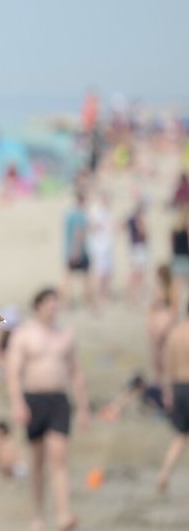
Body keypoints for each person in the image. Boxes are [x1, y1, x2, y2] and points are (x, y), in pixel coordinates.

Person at [6, 288, 89, 531]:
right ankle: (38, 516)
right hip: (33, 400)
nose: (54, 307)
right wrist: (17, 403)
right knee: (38, 461)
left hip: (59, 400)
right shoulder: (24, 334)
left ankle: (64, 514)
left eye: (56, 303)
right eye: (49, 302)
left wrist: (84, 407)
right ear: (38, 305)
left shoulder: (66, 335)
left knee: (59, 458)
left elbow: (77, 372)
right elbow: (13, 373)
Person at [156, 301, 189, 493]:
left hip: (177, 386)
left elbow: (166, 366)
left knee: (180, 435)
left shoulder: (174, 334)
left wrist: (168, 392)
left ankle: (165, 473)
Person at [62, 191, 93, 309]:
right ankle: (87, 301)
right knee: (85, 278)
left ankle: (67, 301)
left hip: (69, 250)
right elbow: (78, 234)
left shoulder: (69, 214)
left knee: (68, 277)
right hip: (79, 251)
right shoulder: (81, 215)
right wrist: (77, 252)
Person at [148, 265, 176, 385]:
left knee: (166, 354)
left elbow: (173, 309)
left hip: (165, 322)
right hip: (157, 321)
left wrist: (164, 326)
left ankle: (167, 378)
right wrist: (150, 324)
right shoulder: (158, 288)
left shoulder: (171, 289)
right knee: (156, 355)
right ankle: (158, 378)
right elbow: (152, 308)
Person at [86, 190, 114, 303]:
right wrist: (100, 226)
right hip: (98, 246)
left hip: (107, 244)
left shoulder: (107, 211)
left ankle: (105, 294)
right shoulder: (95, 210)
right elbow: (91, 225)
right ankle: (97, 295)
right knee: (99, 272)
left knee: (107, 271)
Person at [126, 199, 150, 304]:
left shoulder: (130, 219)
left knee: (135, 272)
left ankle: (132, 295)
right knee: (138, 273)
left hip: (133, 247)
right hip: (139, 247)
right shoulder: (137, 219)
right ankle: (135, 295)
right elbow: (143, 232)